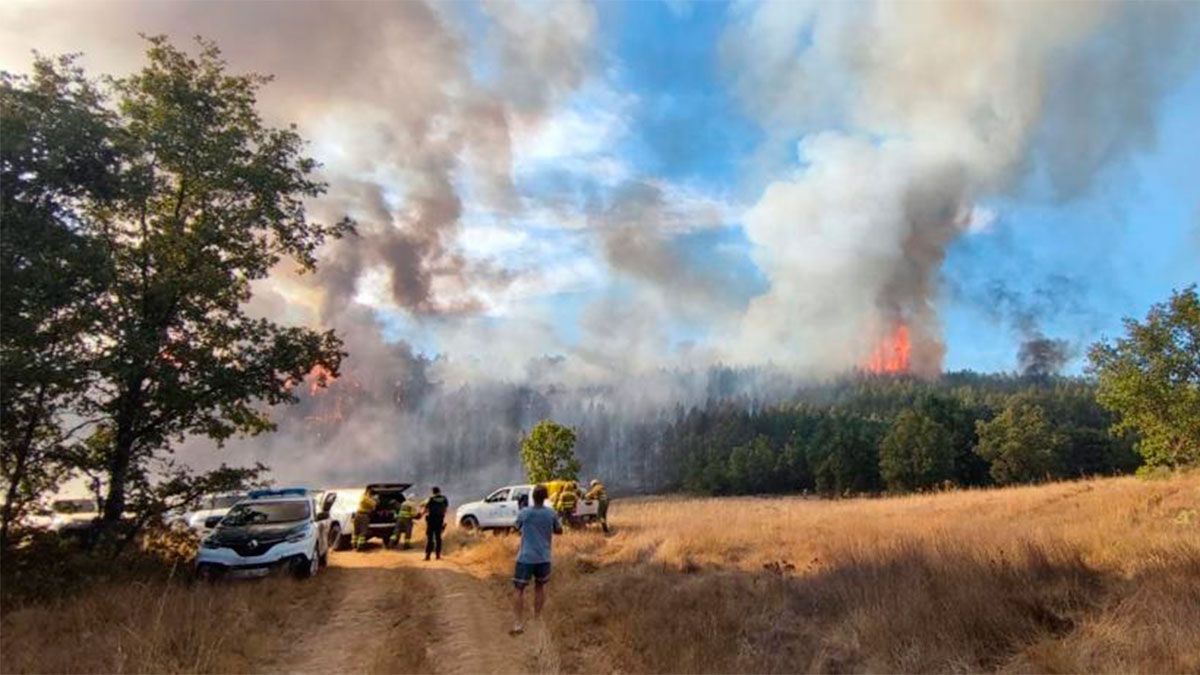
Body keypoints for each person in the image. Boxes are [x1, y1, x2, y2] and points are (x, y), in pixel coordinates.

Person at [511, 484, 562, 635]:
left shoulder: (525, 512)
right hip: (543, 556)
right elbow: (559, 530)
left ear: (532, 497)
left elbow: (515, 528)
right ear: (545, 497)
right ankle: (537, 619)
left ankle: (518, 623)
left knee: (519, 589)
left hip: (525, 557)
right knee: (539, 587)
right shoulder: (551, 513)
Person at [421, 486, 449, 561]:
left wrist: (421, 515)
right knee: (438, 538)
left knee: (430, 538)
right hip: (440, 520)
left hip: (431, 520)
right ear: (439, 491)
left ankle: (427, 556)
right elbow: (446, 509)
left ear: (433, 492)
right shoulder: (444, 499)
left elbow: (426, 509)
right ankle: (438, 556)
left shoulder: (431, 499)